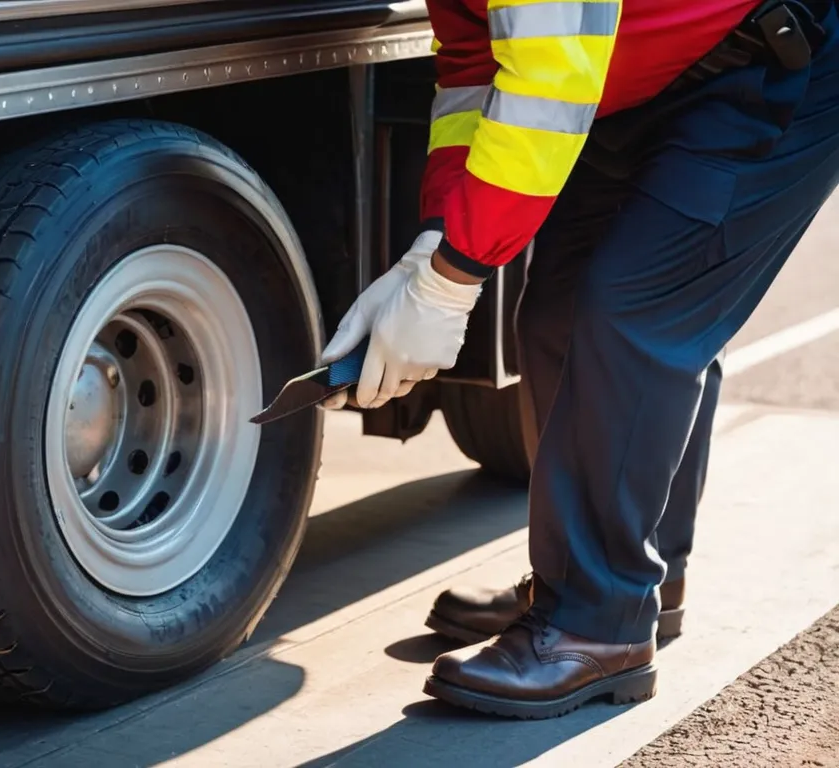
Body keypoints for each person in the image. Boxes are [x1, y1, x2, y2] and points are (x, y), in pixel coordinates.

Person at [320, 0, 839, 719]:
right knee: (557, 314)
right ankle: (626, 580)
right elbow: (475, 69)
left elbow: (545, 86)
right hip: (643, 83)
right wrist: (434, 240)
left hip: (772, 61)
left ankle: (599, 626)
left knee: (634, 313)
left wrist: (449, 282)